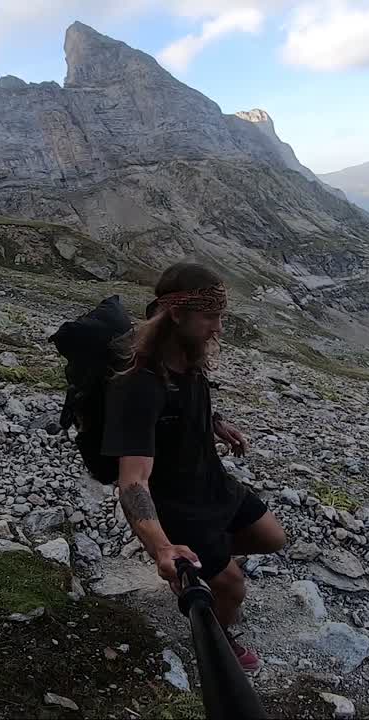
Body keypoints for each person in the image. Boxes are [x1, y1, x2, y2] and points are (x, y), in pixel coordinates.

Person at [102, 262, 286, 671]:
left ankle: (198, 567)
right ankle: (216, 642)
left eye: (220, 316)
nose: (218, 328)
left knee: (273, 537)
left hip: (211, 481)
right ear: (176, 314)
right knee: (233, 587)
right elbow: (133, 482)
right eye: (210, 317)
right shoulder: (139, 383)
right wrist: (162, 545)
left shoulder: (188, 355)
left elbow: (181, 406)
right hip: (178, 502)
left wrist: (215, 423)